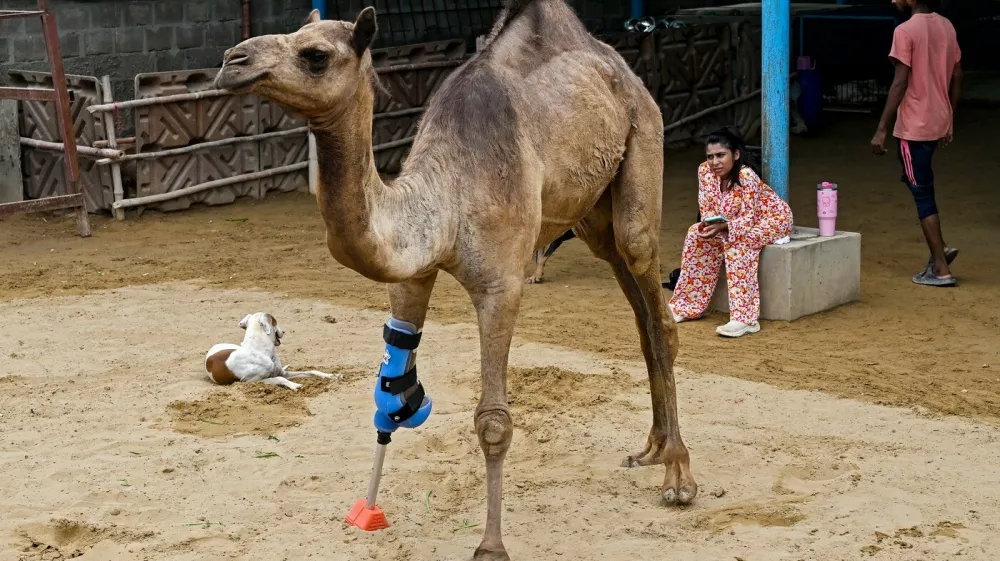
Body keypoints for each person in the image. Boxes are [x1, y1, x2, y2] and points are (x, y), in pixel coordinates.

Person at [668, 127, 793, 338]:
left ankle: (745, 319)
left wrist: (726, 228)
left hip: (771, 219)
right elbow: (706, 207)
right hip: (729, 222)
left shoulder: (746, 176)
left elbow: (748, 219)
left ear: (735, 155)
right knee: (695, 234)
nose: (715, 162)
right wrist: (709, 226)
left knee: (740, 242)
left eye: (720, 155)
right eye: (710, 156)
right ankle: (686, 306)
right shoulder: (705, 172)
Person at [871, 0, 962, 287]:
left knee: (922, 194)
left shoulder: (905, 30)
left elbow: (900, 82)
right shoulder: (946, 25)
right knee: (918, 181)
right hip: (937, 121)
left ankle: (940, 267)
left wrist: (882, 128)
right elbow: (958, 75)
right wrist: (949, 115)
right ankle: (942, 249)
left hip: (914, 126)